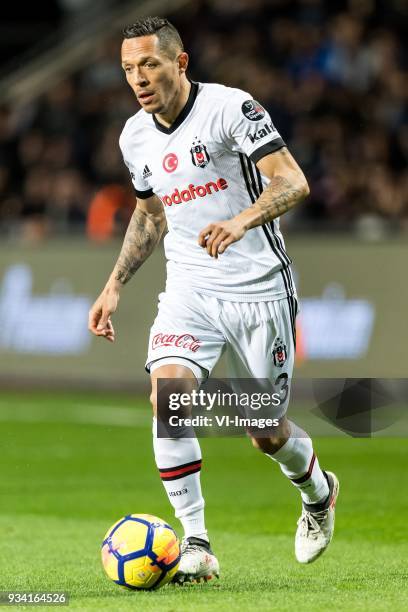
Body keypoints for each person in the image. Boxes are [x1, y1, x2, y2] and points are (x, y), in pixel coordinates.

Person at [88, 16, 339, 584]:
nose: (138, 79)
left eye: (149, 64)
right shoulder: (134, 136)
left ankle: (318, 493)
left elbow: (293, 181)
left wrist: (243, 220)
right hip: (189, 288)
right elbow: (150, 216)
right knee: (169, 397)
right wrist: (114, 284)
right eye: (129, 69)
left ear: (180, 62)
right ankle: (196, 543)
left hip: (258, 289)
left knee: (265, 432)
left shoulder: (231, 109)